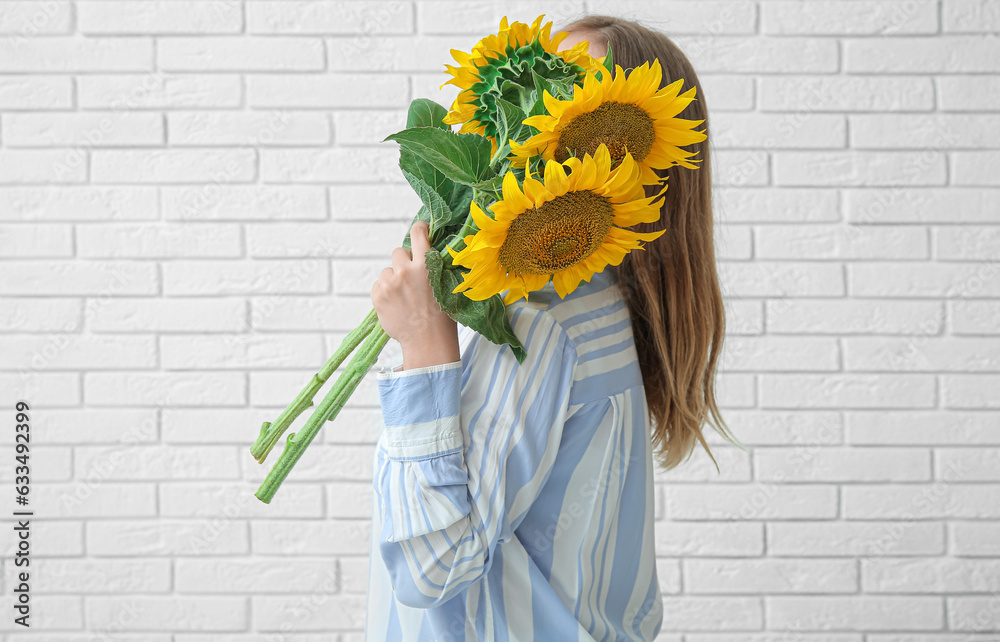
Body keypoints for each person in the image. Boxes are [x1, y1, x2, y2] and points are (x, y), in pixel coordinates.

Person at [364, 14, 740, 641]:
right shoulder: (603, 302)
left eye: (574, 97)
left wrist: (424, 348)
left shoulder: (540, 318)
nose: (541, 116)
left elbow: (432, 569)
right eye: (537, 86)